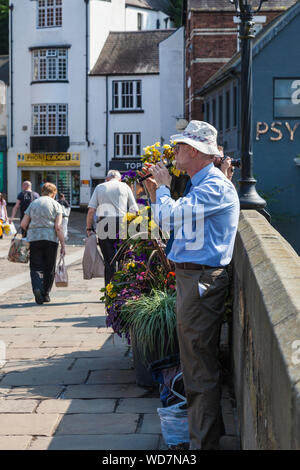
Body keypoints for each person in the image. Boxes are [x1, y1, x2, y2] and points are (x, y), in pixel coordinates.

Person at [142, 120, 240, 450]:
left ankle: (204, 445)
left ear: (195, 152)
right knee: (196, 364)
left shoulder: (213, 186)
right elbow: (172, 223)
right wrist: (161, 192)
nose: (175, 152)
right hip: (194, 278)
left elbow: (168, 219)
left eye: (181, 147)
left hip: (200, 280)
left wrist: (164, 187)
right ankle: (206, 437)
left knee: (199, 368)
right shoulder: (204, 183)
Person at [86, 170, 139, 287]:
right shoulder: (125, 187)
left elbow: (91, 211)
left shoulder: (100, 187)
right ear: (119, 179)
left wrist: (89, 228)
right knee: (123, 257)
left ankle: (109, 291)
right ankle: (122, 289)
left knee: (109, 260)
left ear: (107, 178)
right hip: (122, 223)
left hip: (104, 223)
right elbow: (134, 210)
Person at [20, 182, 65, 305]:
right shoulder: (57, 205)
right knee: (49, 267)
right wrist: (63, 244)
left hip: (34, 239)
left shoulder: (33, 204)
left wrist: (33, 230)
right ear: (54, 193)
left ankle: (37, 288)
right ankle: (45, 294)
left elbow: (23, 224)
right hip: (51, 239)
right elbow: (58, 227)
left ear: (42, 192)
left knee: (35, 266)